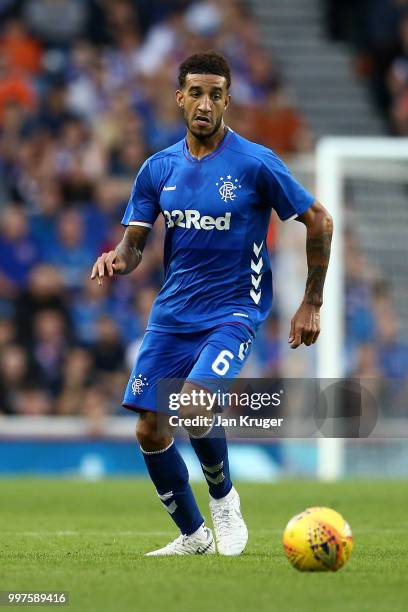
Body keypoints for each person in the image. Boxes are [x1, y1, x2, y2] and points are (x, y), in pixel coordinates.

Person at [91, 51, 333, 556]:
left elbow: (320, 221)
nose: (205, 103)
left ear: (227, 100)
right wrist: (117, 258)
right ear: (179, 97)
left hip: (232, 312)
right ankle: (194, 536)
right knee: (149, 428)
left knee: (196, 403)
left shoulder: (255, 163)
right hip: (171, 315)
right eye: (196, 93)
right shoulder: (158, 168)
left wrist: (312, 302)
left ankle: (224, 499)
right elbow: (134, 245)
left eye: (215, 94)